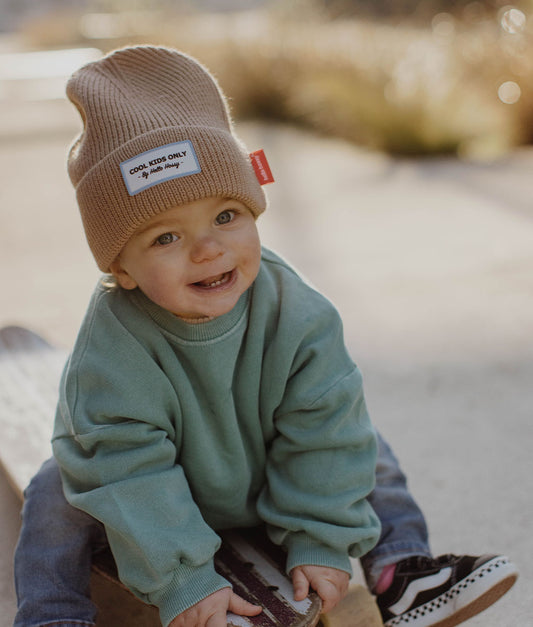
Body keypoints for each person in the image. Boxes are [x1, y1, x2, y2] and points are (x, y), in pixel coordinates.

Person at [13, 46, 517, 627]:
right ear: (119, 269)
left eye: (226, 215)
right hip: (159, 490)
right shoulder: (112, 347)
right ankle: (53, 613)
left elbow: (325, 431)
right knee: (56, 491)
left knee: (364, 443)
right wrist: (183, 578)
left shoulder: (295, 312)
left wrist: (321, 539)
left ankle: (400, 572)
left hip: (264, 466)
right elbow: (125, 470)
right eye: (164, 239)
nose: (208, 249)